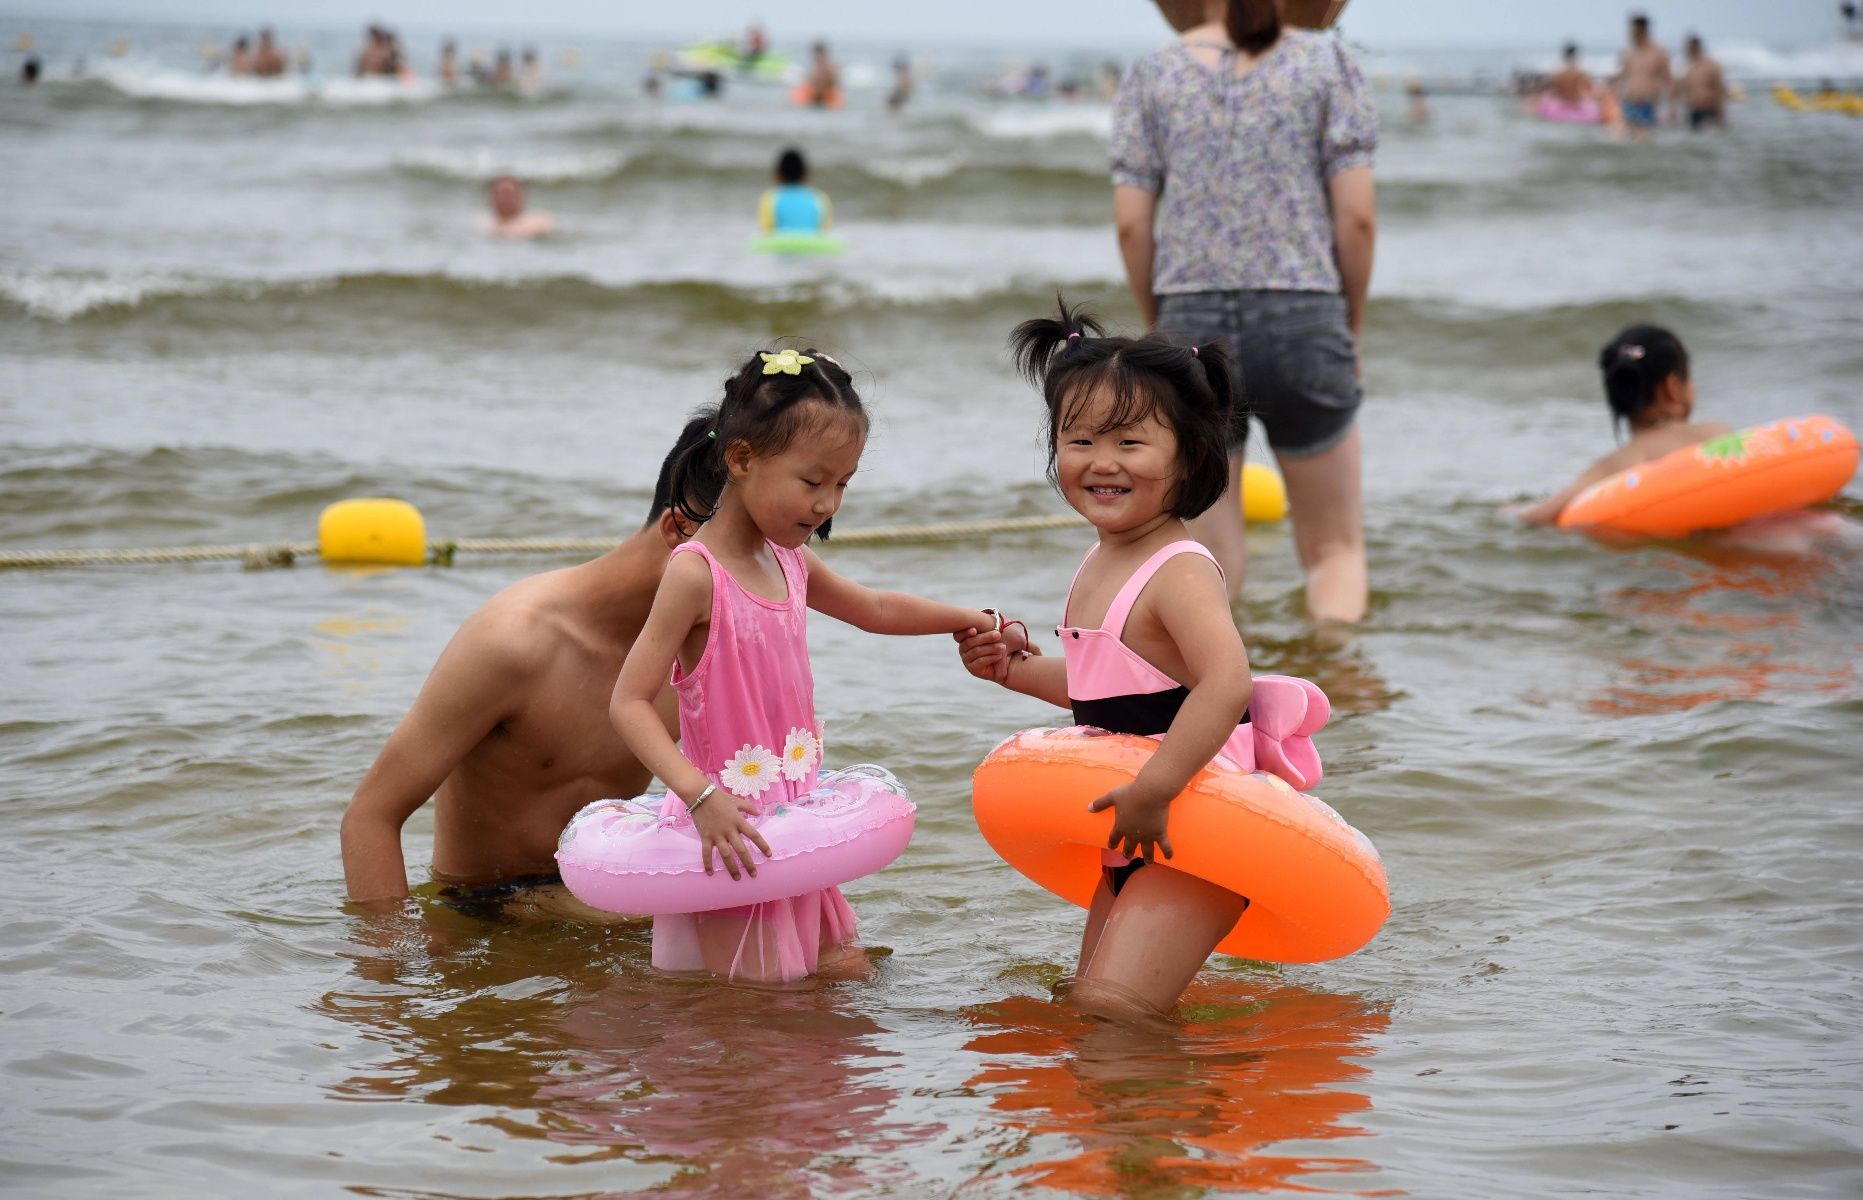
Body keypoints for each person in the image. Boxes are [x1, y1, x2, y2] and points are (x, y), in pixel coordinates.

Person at [608, 347, 1018, 983]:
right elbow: (628, 704)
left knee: (841, 978)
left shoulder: (788, 561)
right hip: (732, 831)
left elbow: (876, 607)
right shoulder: (696, 574)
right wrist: (699, 797)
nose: (827, 503)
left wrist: (973, 619)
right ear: (741, 459)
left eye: (842, 485)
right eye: (812, 481)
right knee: (762, 1014)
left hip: (793, 821)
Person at [956, 302, 1257, 1022]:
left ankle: (1176, 1125)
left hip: (1195, 818)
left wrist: (1156, 788)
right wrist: (1013, 670)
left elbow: (1226, 682)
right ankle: (1151, 1124)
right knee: (1090, 1003)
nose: (1101, 461)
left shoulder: (1178, 568)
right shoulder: (1104, 558)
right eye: (1080, 438)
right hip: (1139, 823)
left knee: (1115, 1010)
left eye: (1130, 441)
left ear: (1187, 453)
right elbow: (1115, 694)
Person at [340, 419, 717, 915]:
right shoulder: (516, 641)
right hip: (479, 912)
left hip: (596, 904)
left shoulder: (698, 653)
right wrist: (388, 979)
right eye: (747, 559)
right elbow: (370, 818)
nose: (762, 585)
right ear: (677, 530)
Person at [1111, 0, 1377, 622]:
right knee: (1335, 549)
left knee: (1208, 563)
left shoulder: (1154, 72)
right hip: (1305, 312)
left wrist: (1162, 322)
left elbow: (1131, 225)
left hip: (1190, 317)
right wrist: (1350, 325)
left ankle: (1220, 704)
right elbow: (1357, 218)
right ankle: (1334, 692)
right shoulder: (1327, 62)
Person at [1511, 326, 1729, 526]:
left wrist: (1511, 511)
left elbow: (1541, 516)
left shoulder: (1617, 464)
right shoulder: (1715, 433)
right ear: (1673, 387)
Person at [1615, 13, 1672, 137]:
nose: (1630, 33)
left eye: (1633, 30)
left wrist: (1671, 107)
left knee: (1644, 137)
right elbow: (1622, 78)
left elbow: (1668, 80)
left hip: (1649, 104)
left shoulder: (1658, 53)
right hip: (1629, 102)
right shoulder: (1628, 53)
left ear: (1642, 29)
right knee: (1620, 136)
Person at [758, 148, 832, 236]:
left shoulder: (770, 199)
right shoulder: (819, 198)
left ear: (777, 175)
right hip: (811, 247)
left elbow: (767, 232)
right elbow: (823, 231)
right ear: (806, 175)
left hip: (780, 246)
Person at [1677, 35, 1727, 130]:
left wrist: (1720, 109)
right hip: (1693, 109)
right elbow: (1684, 89)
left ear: (1696, 47)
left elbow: (1719, 88)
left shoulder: (1711, 65)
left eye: (1689, 48)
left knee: (1709, 135)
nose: (1687, 51)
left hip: (1709, 108)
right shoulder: (1687, 67)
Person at [482, 175, 554, 238]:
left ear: (520, 196)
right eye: (500, 194)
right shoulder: (483, 225)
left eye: (509, 194)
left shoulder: (538, 224)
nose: (504, 199)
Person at [801, 41, 839, 107]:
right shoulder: (827, 65)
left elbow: (831, 81)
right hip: (822, 95)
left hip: (824, 95)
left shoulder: (824, 66)